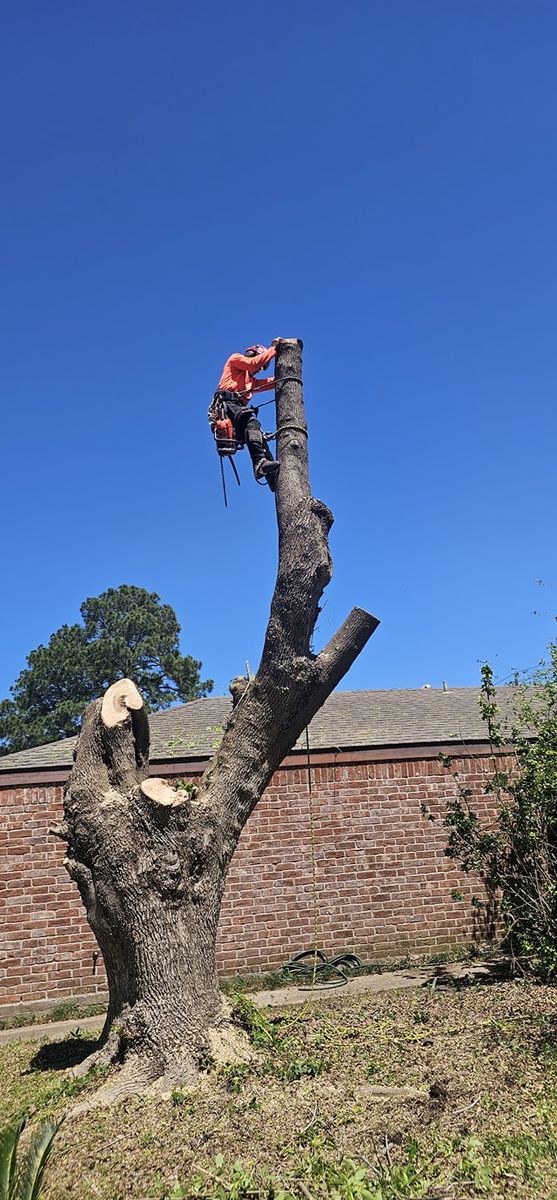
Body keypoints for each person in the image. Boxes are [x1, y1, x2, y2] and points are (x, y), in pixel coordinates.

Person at [210, 340, 281, 489]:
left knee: (257, 437)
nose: (259, 369)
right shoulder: (235, 359)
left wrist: (285, 376)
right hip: (227, 404)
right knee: (251, 421)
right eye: (260, 366)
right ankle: (260, 463)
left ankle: (272, 478)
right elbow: (254, 363)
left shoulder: (251, 382)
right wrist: (274, 348)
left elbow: (270, 383)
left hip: (236, 409)